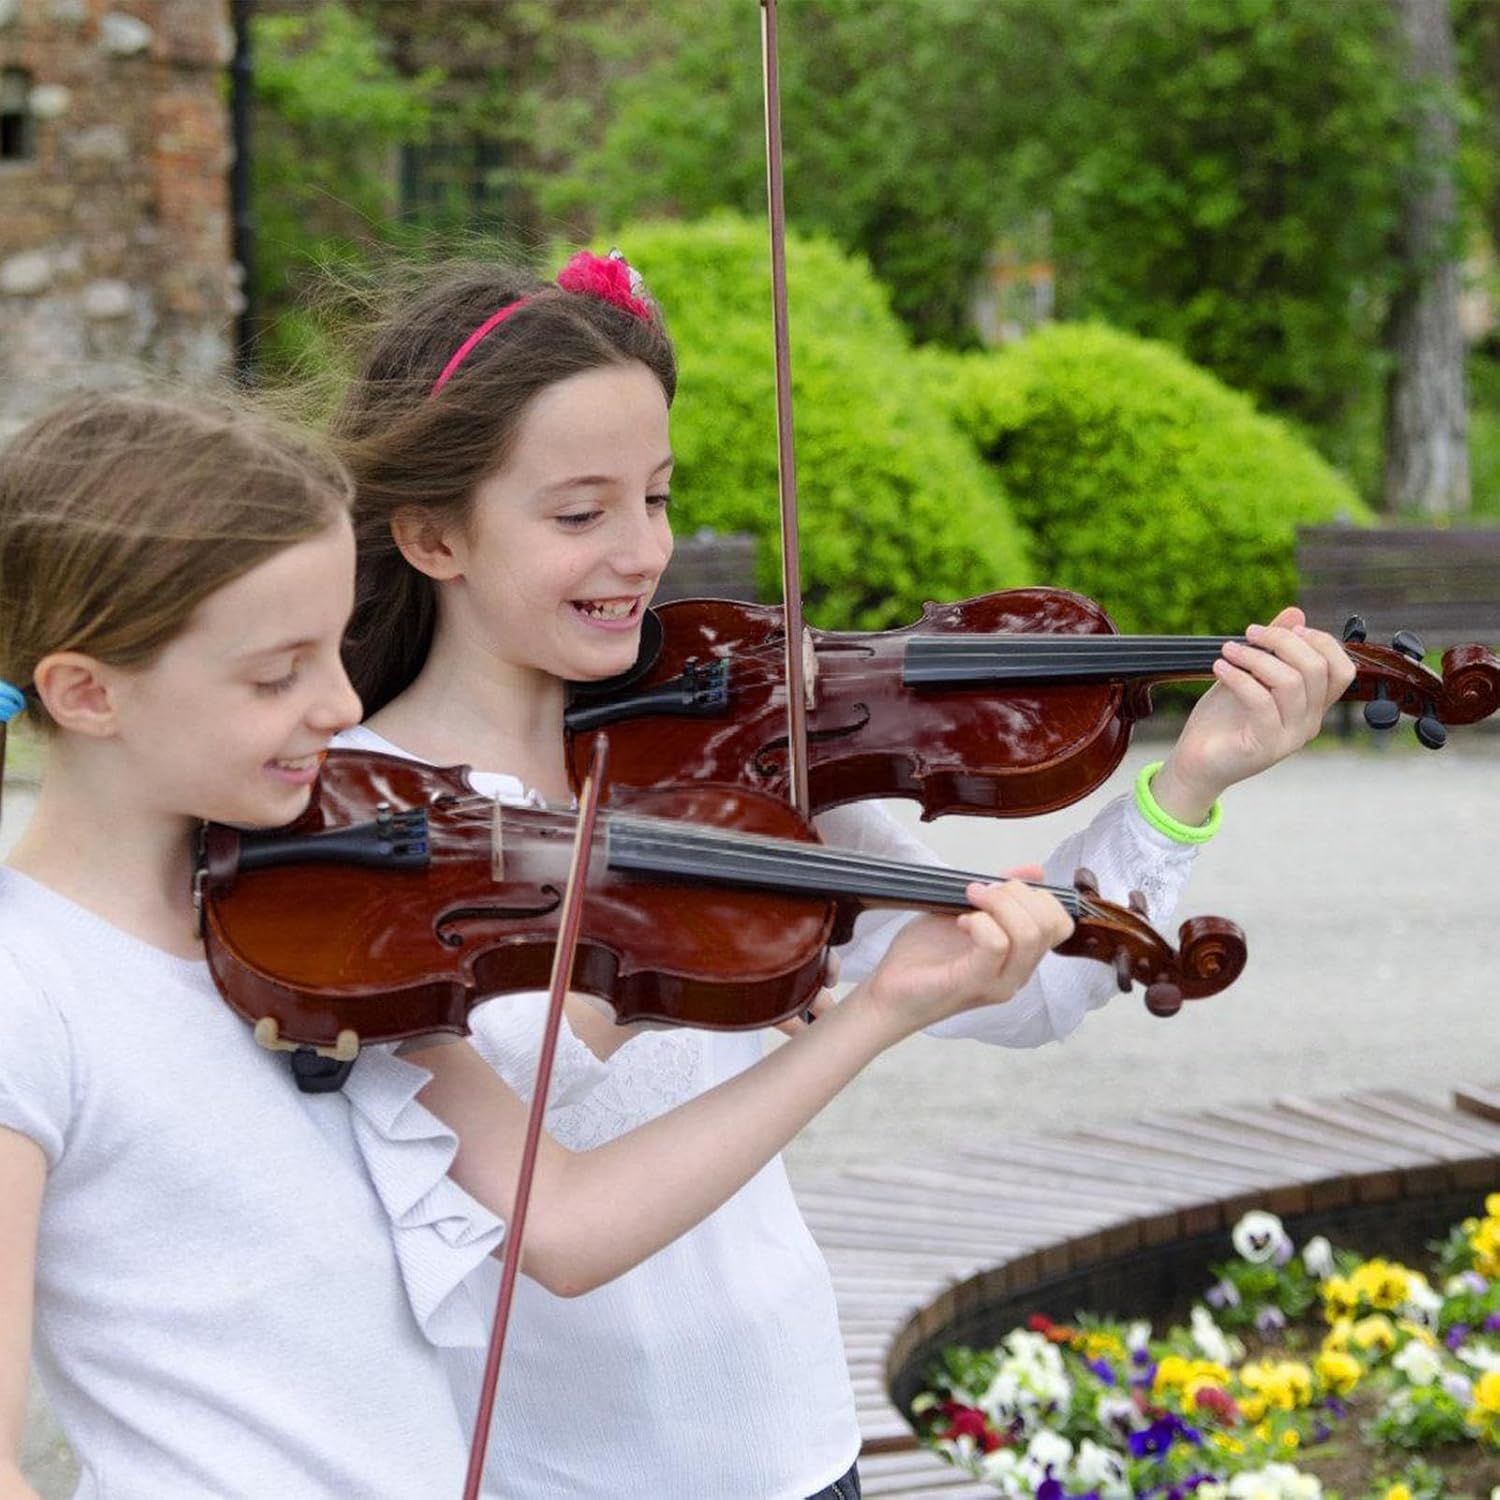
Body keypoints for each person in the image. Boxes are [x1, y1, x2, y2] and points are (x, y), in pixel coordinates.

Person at [324, 250, 1356, 1500]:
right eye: (580, 515)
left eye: (658, 497)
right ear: (433, 534)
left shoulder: (741, 761)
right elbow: (526, 1185)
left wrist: (1185, 787)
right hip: (564, 1474)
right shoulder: (362, 821)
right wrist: (681, 951)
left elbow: (1025, 992)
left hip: (801, 1446)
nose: (643, 552)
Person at [0, 388, 1064, 1500]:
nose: (343, 704)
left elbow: (567, 1223)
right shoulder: (30, 993)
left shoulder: (314, 922)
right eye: (278, 674)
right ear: (87, 694)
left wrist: (886, 1008)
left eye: (334, 652)